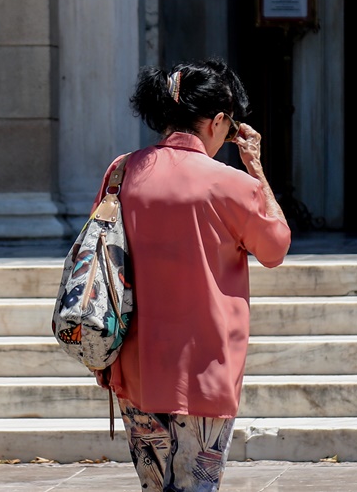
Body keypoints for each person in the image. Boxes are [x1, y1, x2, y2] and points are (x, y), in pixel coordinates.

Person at [93, 58, 291, 491]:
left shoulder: (123, 171)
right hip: (204, 369)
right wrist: (255, 168)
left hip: (133, 361)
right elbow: (275, 248)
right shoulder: (231, 182)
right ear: (219, 121)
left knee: (153, 487)